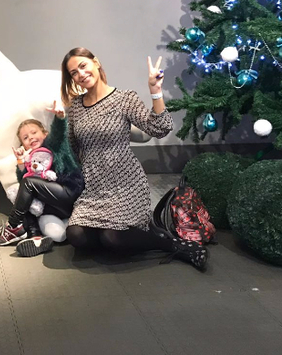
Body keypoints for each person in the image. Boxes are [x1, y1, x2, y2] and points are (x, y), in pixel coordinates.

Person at [61, 47, 208, 270]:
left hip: (127, 186)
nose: (80, 74)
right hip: (95, 190)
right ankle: (125, 236)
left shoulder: (124, 98)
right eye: (74, 72)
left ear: (96, 62)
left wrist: (155, 92)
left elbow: (160, 128)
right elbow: (73, 148)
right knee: (76, 236)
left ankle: (170, 243)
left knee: (113, 238)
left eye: (83, 66)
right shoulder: (75, 108)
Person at [0, 108, 84, 257]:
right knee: (22, 194)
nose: (31, 138)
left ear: (45, 134)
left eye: (34, 132)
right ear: (23, 145)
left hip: (68, 192)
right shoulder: (31, 159)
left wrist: (59, 118)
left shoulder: (54, 146)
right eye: (25, 138)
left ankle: (13, 226)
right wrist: (21, 162)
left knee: (28, 184)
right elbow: (24, 184)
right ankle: (35, 237)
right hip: (53, 207)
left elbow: (58, 133)